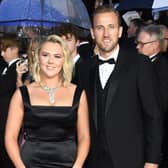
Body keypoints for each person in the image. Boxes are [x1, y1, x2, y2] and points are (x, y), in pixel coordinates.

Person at [85, 5, 162, 168]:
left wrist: (152, 160)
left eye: (111, 27)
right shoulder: (84, 68)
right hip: (94, 160)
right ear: (92, 33)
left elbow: (154, 115)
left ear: (120, 31)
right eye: (100, 28)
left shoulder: (140, 63)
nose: (106, 34)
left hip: (131, 159)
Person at [5, 35, 90, 168]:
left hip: (69, 163)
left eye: (57, 56)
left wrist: (78, 166)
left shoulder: (78, 93)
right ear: (38, 58)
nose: (51, 61)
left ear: (64, 60)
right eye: (45, 55)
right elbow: (10, 137)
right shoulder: (22, 94)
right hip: (29, 163)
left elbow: (84, 136)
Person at [136, 24, 168, 168]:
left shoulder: (162, 68)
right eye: (137, 43)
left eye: (142, 44)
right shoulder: (138, 64)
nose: (137, 47)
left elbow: (160, 107)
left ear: (155, 45)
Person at [0, 37, 21, 168]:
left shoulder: (19, 67)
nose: (2, 54)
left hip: (9, 117)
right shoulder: (6, 67)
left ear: (14, 50)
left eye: (4, 50)